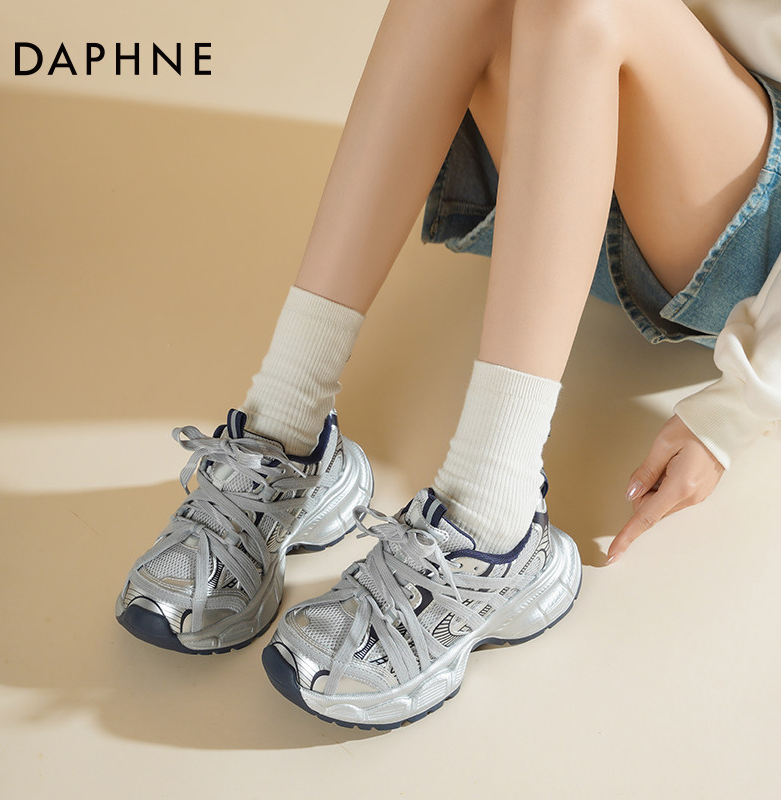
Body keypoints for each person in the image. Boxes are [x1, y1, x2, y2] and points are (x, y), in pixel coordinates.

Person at [115, 0, 781, 729]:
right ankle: (286, 424)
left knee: (586, 7)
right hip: (565, 146)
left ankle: (494, 518)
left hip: (736, 230)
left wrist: (740, 408)